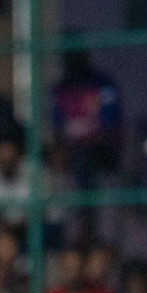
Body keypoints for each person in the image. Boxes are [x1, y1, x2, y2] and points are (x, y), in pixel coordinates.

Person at [51, 50, 123, 190]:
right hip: (71, 151)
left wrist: (88, 138)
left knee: (87, 159)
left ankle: (89, 207)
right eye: (70, 59)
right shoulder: (60, 88)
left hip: (101, 149)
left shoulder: (102, 84)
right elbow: (57, 127)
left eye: (77, 57)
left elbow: (110, 123)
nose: (74, 63)